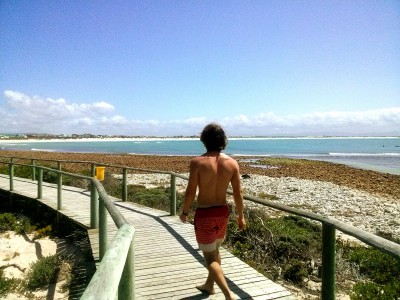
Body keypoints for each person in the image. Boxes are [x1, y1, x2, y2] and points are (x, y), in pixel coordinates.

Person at [180, 123, 246, 300]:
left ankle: (228, 296)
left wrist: (184, 211)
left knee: (210, 259)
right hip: (223, 213)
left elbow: (190, 191)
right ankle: (210, 285)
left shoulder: (197, 162)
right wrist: (241, 216)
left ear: (204, 140)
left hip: (206, 214)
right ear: (222, 140)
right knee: (215, 251)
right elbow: (239, 193)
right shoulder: (232, 163)